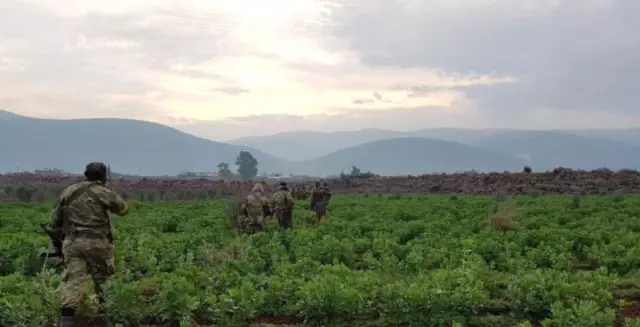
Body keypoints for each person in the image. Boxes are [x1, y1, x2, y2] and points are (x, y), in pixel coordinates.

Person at [45, 162, 129, 327]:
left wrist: (58, 243)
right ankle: (106, 318)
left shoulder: (69, 191)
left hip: (73, 244)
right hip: (98, 244)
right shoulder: (105, 192)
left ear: (85, 174)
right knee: (104, 280)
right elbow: (123, 210)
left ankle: (66, 322)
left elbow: (53, 224)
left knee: (72, 281)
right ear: (103, 176)